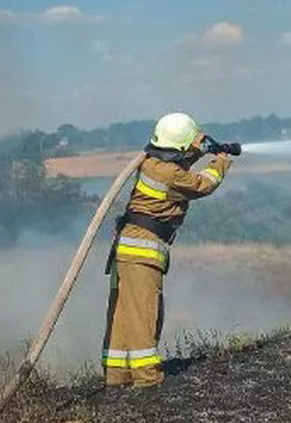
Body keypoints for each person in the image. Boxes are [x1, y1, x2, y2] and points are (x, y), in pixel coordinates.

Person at [102, 112, 238, 387]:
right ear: (181, 144)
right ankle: (146, 377)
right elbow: (204, 184)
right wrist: (220, 159)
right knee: (145, 313)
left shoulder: (152, 162)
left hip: (127, 249)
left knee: (123, 313)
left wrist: (198, 148)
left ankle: (117, 376)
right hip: (143, 251)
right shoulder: (169, 173)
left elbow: (176, 162)